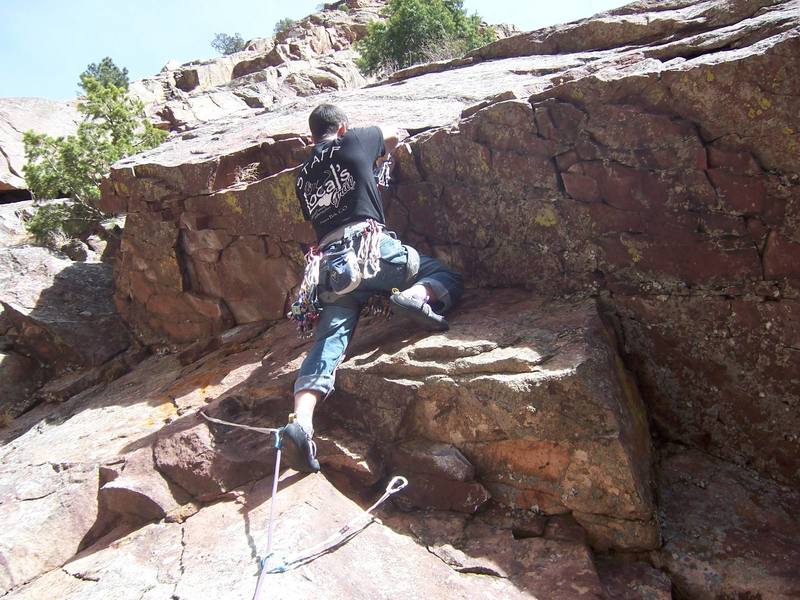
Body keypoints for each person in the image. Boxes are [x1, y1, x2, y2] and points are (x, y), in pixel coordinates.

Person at [282, 103, 463, 473]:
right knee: (442, 274)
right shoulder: (354, 141)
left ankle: (301, 422)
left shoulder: (302, 177)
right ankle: (415, 297)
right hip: (371, 252)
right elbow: (393, 133)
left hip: (331, 272)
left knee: (328, 344)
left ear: (311, 137)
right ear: (343, 126)